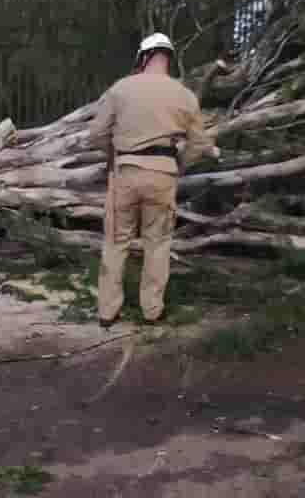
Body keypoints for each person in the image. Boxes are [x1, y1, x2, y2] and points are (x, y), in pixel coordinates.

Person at [89, 33, 214, 327]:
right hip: (163, 174)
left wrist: (113, 155)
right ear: (167, 58)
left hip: (125, 172)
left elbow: (96, 134)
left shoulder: (121, 89)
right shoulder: (184, 95)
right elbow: (200, 143)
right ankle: (152, 311)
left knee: (116, 242)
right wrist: (178, 165)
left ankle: (107, 312)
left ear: (143, 58)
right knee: (157, 244)